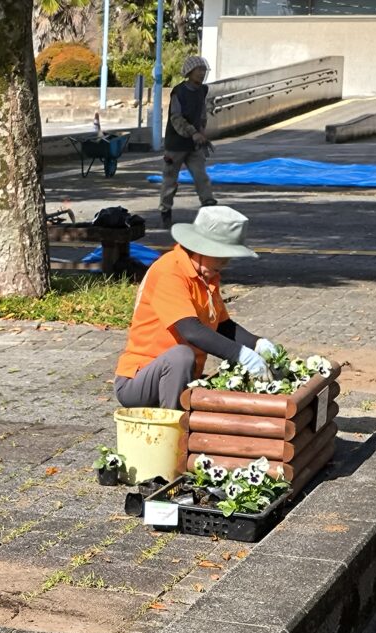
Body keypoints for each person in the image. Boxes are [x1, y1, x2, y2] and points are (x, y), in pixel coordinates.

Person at [114, 206, 277, 411]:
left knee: (187, 362)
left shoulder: (207, 275)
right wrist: (241, 355)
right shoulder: (169, 271)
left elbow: (222, 326)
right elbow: (191, 330)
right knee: (181, 355)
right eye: (221, 255)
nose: (225, 263)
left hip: (182, 377)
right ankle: (172, 426)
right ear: (201, 248)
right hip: (137, 381)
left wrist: (257, 344)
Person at [158, 55, 217, 229]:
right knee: (170, 180)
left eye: (204, 70)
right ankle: (165, 211)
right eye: (199, 70)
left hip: (194, 145)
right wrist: (193, 133)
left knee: (201, 177)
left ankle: (208, 206)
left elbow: (202, 113)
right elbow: (176, 118)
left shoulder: (202, 90)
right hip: (176, 144)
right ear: (189, 72)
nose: (202, 73)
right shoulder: (179, 92)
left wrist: (202, 131)